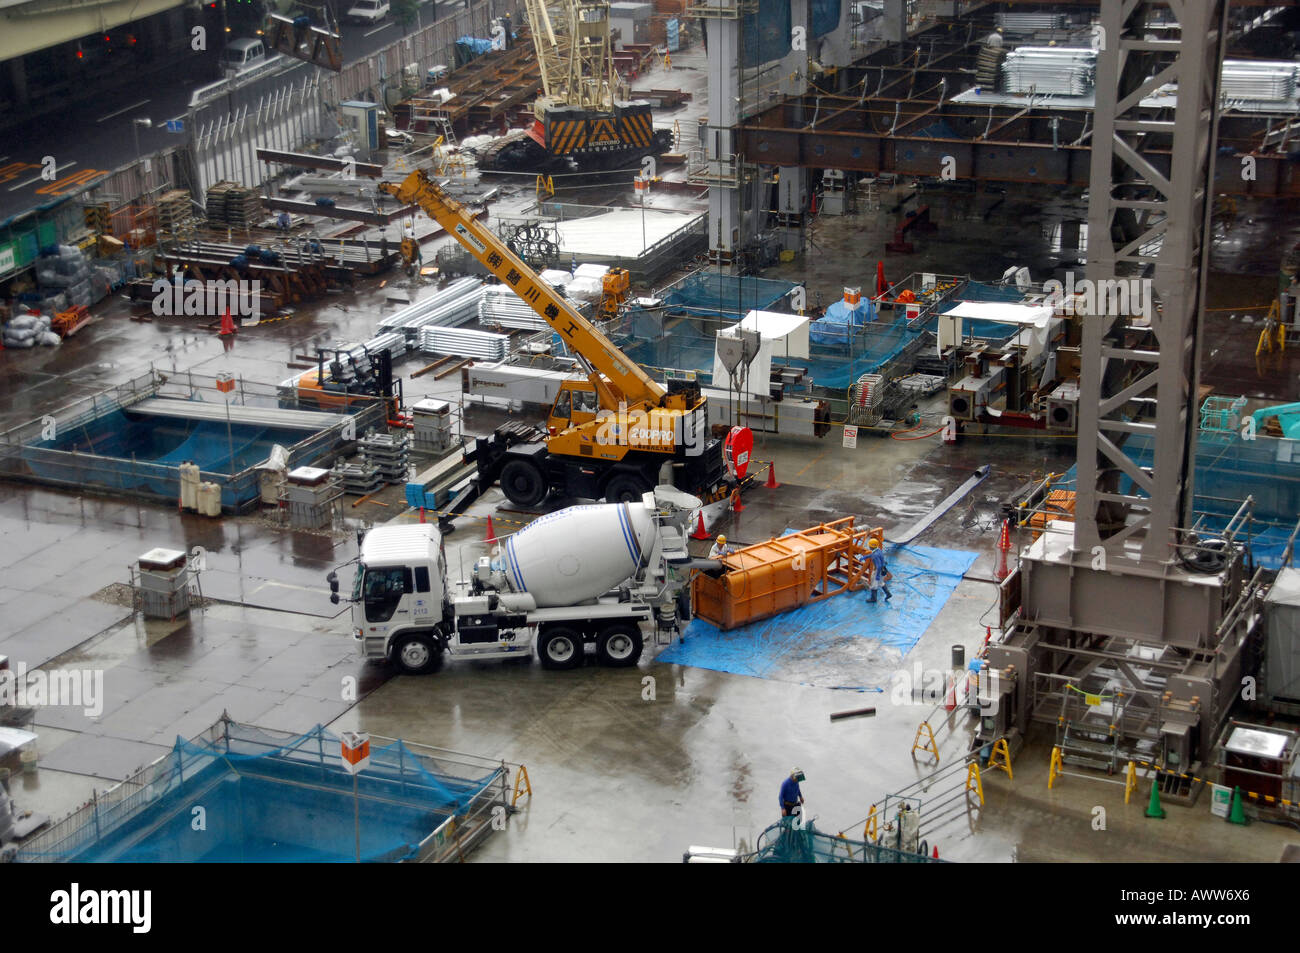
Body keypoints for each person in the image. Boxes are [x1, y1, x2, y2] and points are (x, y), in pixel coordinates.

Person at [866, 538, 892, 602]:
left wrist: (877, 575)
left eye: (869, 545)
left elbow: (878, 566)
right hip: (883, 570)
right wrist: (865, 557)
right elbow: (874, 555)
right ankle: (888, 594)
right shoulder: (878, 550)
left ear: (871, 546)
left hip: (877, 570)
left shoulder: (875, 555)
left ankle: (873, 598)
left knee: (874, 584)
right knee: (881, 582)